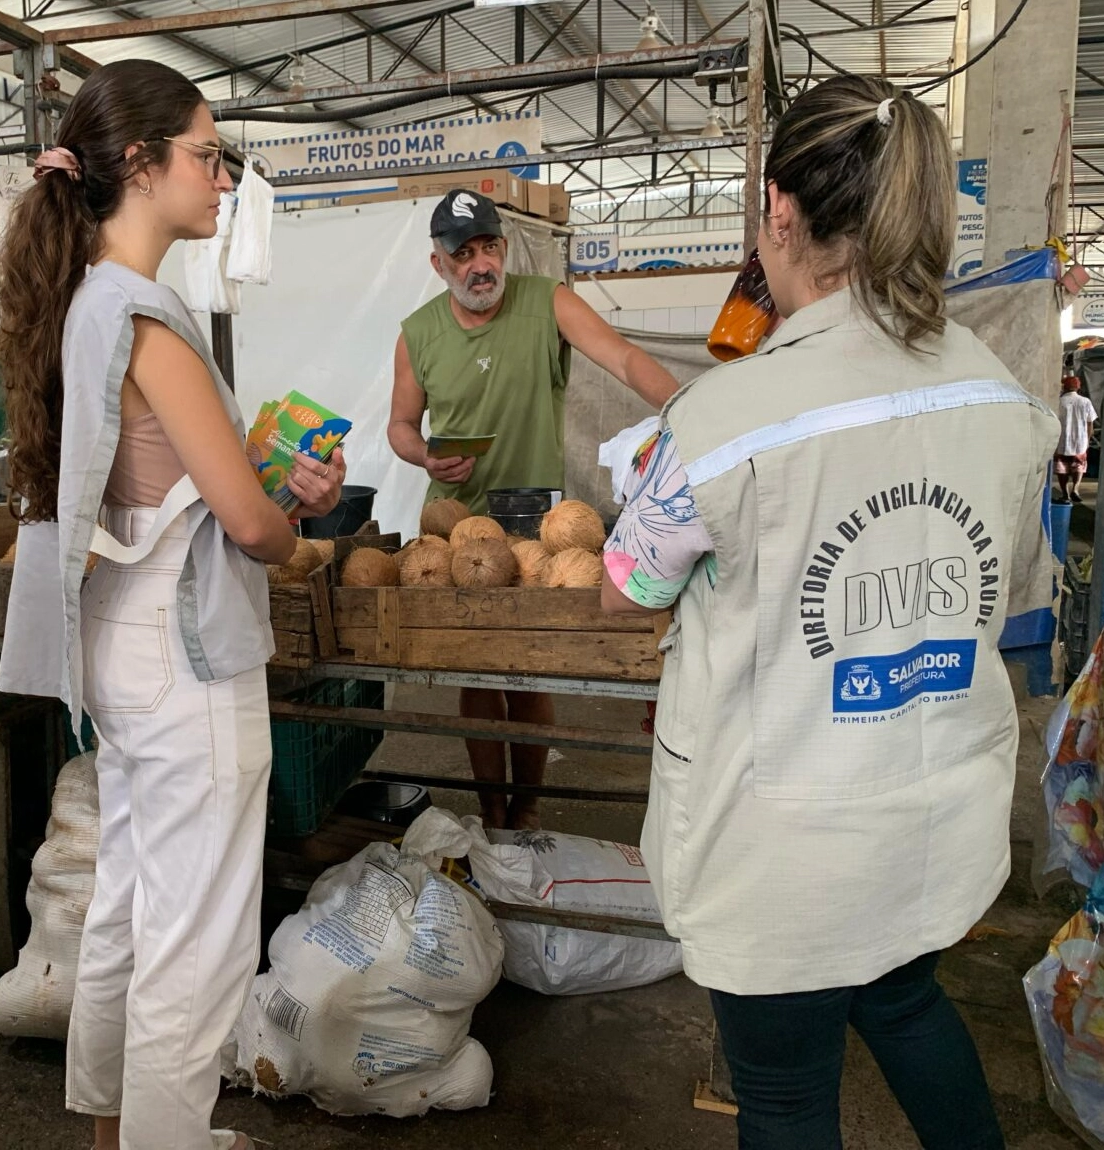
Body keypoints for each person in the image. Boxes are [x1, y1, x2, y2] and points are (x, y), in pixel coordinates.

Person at [601, 76, 1057, 1150]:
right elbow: (1007, 581)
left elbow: (632, 585)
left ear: (776, 211)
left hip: (783, 841)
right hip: (929, 811)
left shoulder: (721, 417)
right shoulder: (1002, 397)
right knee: (904, 1003)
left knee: (788, 1092)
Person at [0, 60, 343, 1150]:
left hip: (116, 640)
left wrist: (254, 491)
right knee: (197, 945)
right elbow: (246, 522)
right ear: (138, 165)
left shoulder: (79, 300)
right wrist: (297, 521)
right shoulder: (148, 314)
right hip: (185, 656)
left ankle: (112, 1134)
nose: (222, 177)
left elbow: (157, 480)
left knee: (130, 910)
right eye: (205, 153)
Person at [389, 188, 678, 829]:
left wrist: (687, 407)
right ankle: (493, 811)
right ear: (439, 264)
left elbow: (624, 357)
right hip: (456, 526)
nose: (480, 264)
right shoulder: (418, 334)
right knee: (478, 674)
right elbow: (400, 426)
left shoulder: (547, 303)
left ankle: (526, 808)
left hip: (538, 525)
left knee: (530, 671)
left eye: (489, 246)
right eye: (463, 254)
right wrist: (426, 457)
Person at [1054, 372, 1097, 503]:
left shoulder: (1059, 402)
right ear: (1078, 387)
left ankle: (1065, 494)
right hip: (1080, 441)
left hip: (1062, 442)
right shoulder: (1085, 402)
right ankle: (1076, 489)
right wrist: (1088, 439)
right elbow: (1090, 423)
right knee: (1079, 466)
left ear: (1064, 387)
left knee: (1062, 468)